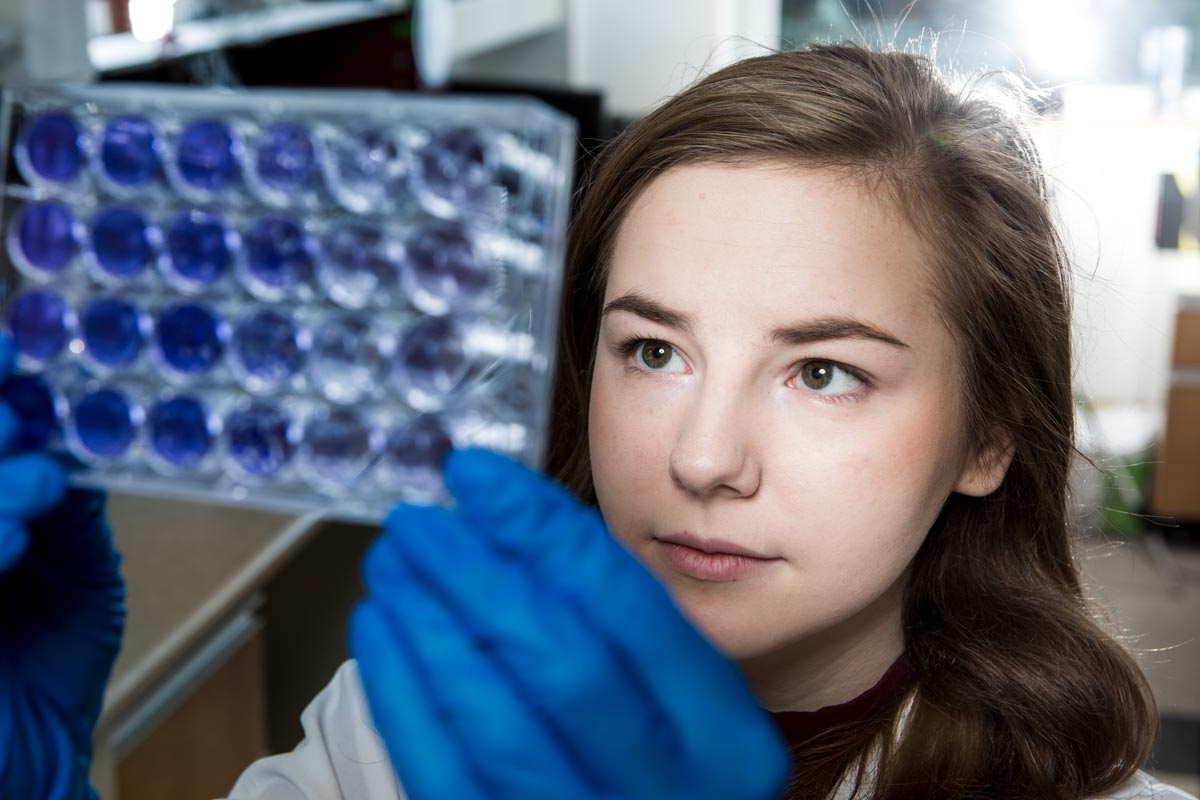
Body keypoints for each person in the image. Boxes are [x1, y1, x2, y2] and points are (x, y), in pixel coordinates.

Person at [1, 41, 1196, 800]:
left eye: (823, 371)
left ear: (989, 434)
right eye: (654, 349)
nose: (702, 457)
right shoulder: (404, 722)